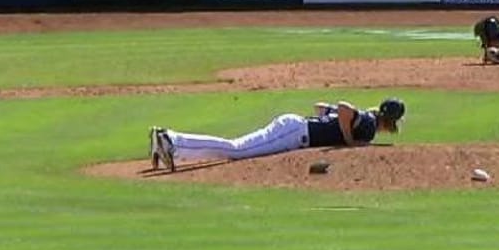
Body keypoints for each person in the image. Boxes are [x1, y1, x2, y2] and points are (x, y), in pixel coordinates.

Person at [148, 99, 405, 172]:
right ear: (391, 121)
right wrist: (348, 141)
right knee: (237, 150)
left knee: (236, 149)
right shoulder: (369, 125)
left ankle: (170, 145)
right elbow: (344, 107)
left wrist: (335, 126)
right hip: (294, 132)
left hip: (294, 127)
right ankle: (170, 139)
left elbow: (320, 106)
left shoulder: (368, 120)